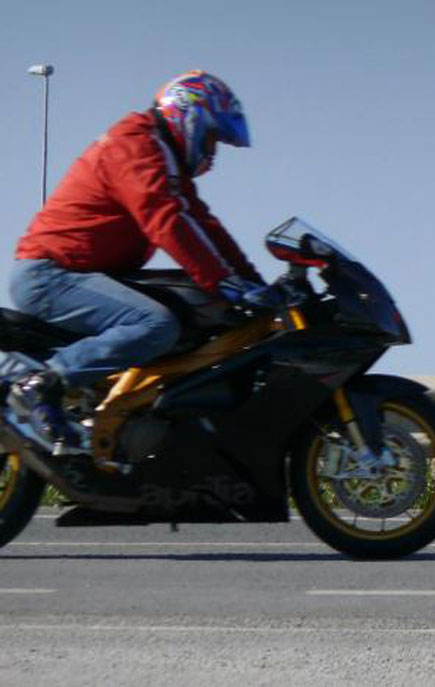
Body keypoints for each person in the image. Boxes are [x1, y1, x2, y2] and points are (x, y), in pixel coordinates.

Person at [7, 70, 276, 453]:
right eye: (213, 138)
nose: (213, 152)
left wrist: (253, 283)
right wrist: (226, 282)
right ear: (190, 116)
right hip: (50, 276)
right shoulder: (134, 144)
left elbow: (203, 224)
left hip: (81, 275)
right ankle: (43, 383)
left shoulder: (162, 158)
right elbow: (165, 219)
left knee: (196, 303)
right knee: (155, 323)